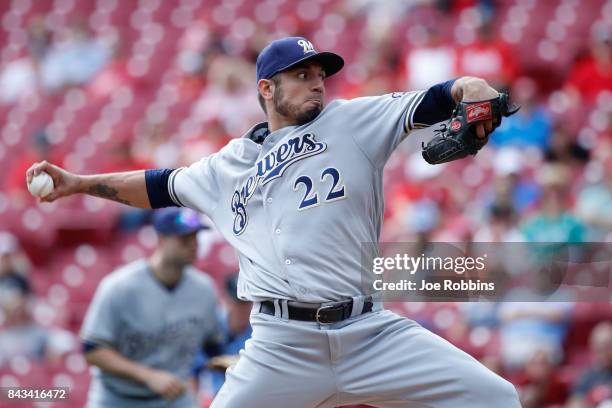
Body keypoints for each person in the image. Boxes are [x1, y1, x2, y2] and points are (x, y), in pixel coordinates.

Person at [28, 37, 519, 407]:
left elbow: (436, 98)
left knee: (497, 398)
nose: (316, 82)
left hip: (371, 332)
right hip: (282, 346)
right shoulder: (226, 165)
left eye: (319, 74)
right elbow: (158, 185)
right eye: (301, 75)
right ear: (266, 88)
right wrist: (79, 182)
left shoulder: (350, 122)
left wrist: (469, 88)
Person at [79, 208, 223, 408]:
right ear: (162, 239)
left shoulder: (204, 289)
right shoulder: (120, 286)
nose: (193, 245)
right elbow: (92, 350)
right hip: (118, 399)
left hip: (174, 398)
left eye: (196, 237)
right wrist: (147, 375)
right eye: (184, 238)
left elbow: (212, 347)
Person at [568, 321, 612, 408]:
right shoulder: (587, 375)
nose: (603, 352)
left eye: (607, 346)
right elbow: (574, 401)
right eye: (599, 347)